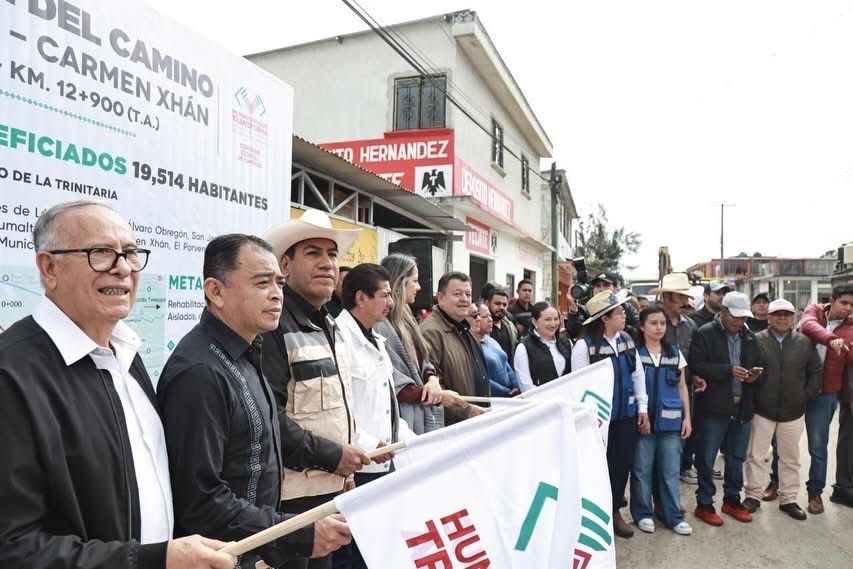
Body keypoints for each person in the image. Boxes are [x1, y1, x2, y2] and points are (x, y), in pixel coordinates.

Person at [0, 200, 235, 569]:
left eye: (129, 253)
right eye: (101, 253)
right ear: (49, 268)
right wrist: (152, 560)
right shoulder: (12, 375)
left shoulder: (126, 352)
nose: (123, 268)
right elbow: (13, 547)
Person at [159, 235, 351, 568]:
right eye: (262, 283)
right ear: (215, 291)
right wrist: (295, 533)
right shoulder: (200, 372)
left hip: (255, 552)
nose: (276, 293)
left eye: (278, 282)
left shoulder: (248, 353)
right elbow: (201, 500)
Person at [260, 209, 372, 569]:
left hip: (329, 493)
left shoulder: (330, 325)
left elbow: (335, 412)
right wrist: (330, 456)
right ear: (285, 265)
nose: (326, 263)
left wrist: (345, 475)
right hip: (290, 504)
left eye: (332, 254)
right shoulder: (274, 326)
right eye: (313, 253)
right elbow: (267, 417)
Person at [334, 263, 413, 569]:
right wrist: (370, 444)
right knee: (353, 553)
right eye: (384, 295)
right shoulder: (339, 338)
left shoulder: (377, 339)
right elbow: (340, 409)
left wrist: (408, 439)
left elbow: (387, 406)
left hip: (384, 462)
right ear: (361, 298)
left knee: (379, 548)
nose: (391, 303)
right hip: (358, 465)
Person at [571, 290, 649, 538]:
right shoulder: (584, 346)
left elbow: (638, 375)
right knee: (597, 467)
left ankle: (614, 512)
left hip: (626, 416)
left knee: (621, 466)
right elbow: (579, 385)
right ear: (604, 318)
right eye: (619, 312)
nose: (624, 315)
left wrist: (643, 408)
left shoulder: (627, 339)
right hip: (598, 420)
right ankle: (594, 515)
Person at [688, 292, 763, 526]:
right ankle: (704, 503)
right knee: (707, 458)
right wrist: (728, 370)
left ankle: (732, 499)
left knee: (736, 458)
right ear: (723, 312)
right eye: (735, 318)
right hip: (713, 408)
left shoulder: (749, 337)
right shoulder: (705, 334)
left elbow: (758, 364)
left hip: (742, 406)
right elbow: (696, 366)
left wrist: (753, 376)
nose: (739, 323)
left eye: (743, 318)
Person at [742, 299, 821, 520]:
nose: (782, 318)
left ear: (794, 317)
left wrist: (806, 395)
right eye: (777, 314)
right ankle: (753, 496)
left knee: (790, 458)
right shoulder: (755, 341)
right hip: (762, 409)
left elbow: (816, 372)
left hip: (793, 411)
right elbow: (747, 369)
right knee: (756, 456)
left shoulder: (805, 342)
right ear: (769, 317)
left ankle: (788, 499)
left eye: (787, 314)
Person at [376, 253, 465, 434]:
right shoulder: (380, 325)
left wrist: (432, 379)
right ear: (400, 283)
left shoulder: (407, 318)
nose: (419, 287)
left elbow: (423, 360)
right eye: (414, 281)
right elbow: (394, 383)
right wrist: (437, 396)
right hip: (402, 420)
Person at [630, 306, 693, 536]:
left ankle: (673, 516)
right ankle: (643, 514)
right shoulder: (634, 353)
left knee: (670, 471)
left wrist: (687, 418)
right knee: (641, 470)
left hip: (671, 424)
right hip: (643, 424)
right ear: (642, 326)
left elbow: (683, 386)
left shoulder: (675, 353)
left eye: (663, 324)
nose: (659, 328)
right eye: (653, 323)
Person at [799, 284, 853, 512]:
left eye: (852, 305)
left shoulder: (851, 328)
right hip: (796, 389)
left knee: (818, 446)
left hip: (825, 394)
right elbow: (807, 326)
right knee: (782, 442)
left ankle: (815, 493)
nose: (848, 309)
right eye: (844, 303)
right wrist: (831, 339)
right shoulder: (815, 311)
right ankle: (776, 483)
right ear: (832, 300)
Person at [650, 273, 703, 483]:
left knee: (678, 441)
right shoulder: (650, 322)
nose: (684, 301)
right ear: (667, 297)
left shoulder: (690, 326)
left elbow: (693, 359)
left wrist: (696, 376)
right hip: (655, 390)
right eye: (679, 297)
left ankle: (669, 493)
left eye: (684, 297)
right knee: (653, 448)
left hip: (682, 391)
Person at [420, 271, 490, 424]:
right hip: (455, 426)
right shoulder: (431, 332)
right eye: (457, 294)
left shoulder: (465, 328)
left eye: (468, 294)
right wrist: (467, 410)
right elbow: (434, 386)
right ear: (441, 298)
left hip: (478, 421)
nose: (464, 299)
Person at [514, 301, 572, 392]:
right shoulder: (524, 348)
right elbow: (525, 385)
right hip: (540, 402)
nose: (553, 324)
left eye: (556, 319)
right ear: (534, 321)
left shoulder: (566, 342)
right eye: (547, 319)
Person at [566, 272, 640, 339]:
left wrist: (616, 326)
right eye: (597, 286)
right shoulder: (586, 309)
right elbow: (574, 333)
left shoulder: (626, 307)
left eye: (606, 285)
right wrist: (573, 308)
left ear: (615, 289)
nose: (601, 289)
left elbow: (638, 331)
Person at [470, 303, 520, 397]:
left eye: (490, 316)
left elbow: (506, 366)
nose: (490, 320)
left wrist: (516, 386)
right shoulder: (470, 346)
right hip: (493, 398)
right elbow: (482, 378)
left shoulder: (492, 341)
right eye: (485, 316)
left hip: (510, 396)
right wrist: (506, 392)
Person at [486, 286, 519, 361]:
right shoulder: (480, 327)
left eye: (504, 305)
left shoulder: (511, 327)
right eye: (497, 304)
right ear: (488, 303)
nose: (501, 307)